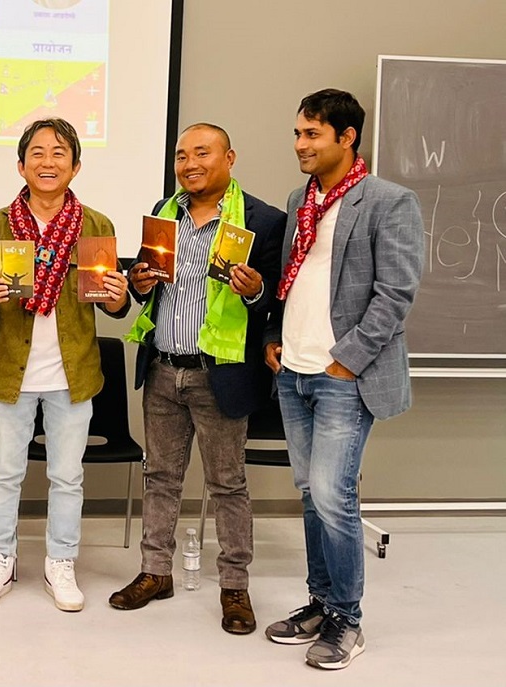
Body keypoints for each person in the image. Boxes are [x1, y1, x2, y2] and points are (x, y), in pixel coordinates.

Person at [263, 89, 423, 670]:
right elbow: (292, 279)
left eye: (312, 134)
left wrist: (346, 360)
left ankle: (347, 621)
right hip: (295, 371)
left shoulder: (388, 201)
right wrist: (275, 336)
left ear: (346, 137)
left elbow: (395, 294)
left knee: (335, 496)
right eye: (298, 133)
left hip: (342, 376)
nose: (300, 145)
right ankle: (320, 602)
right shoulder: (299, 198)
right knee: (311, 494)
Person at [113, 123, 287, 634]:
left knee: (227, 484)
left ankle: (234, 586)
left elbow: (277, 301)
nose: (189, 164)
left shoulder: (263, 220)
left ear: (229, 158)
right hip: (164, 367)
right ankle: (155, 572)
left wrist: (255, 292)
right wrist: (137, 281)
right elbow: (150, 288)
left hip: (220, 373)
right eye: (181, 155)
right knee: (160, 477)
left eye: (202, 153)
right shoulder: (164, 214)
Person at [0, 118, 130, 611]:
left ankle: (60, 562)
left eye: (59, 153)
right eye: (37, 153)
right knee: (5, 474)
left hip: (72, 371)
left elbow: (113, 304)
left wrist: (119, 297)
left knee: (67, 476)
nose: (47, 162)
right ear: (21, 165)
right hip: (12, 370)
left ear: (75, 166)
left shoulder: (96, 225)